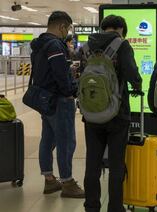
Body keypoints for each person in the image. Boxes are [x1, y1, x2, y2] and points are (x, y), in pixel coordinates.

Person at [81, 15, 143, 212]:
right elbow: (133, 74)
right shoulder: (122, 45)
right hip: (117, 114)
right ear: (120, 29)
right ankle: (115, 208)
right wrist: (137, 85)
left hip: (91, 114)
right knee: (116, 165)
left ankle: (91, 206)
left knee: (92, 163)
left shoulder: (86, 47)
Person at [30, 11, 84, 198]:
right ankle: (67, 182)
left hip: (45, 100)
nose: (66, 32)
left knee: (48, 139)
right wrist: (72, 90)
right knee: (66, 142)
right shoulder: (55, 45)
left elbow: (47, 71)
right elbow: (61, 77)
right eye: (67, 28)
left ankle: (50, 180)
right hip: (60, 100)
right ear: (61, 26)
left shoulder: (40, 44)